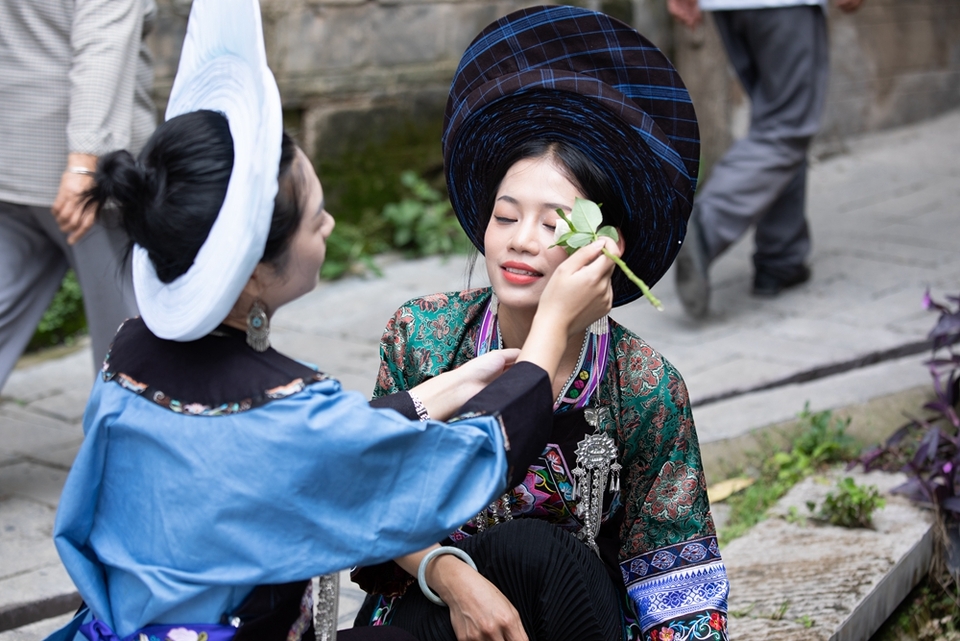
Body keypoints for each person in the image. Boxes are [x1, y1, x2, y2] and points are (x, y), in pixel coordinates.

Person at [45, 2, 620, 640]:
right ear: (255, 268)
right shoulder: (285, 402)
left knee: (535, 561)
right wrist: (548, 338)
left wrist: (447, 388)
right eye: (317, 215)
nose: (330, 225)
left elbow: (316, 448)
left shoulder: (130, 353)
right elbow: (460, 466)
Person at [351, 7, 729, 641]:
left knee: (542, 554)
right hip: (437, 610)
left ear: (601, 247)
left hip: (575, 621)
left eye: (553, 224)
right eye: (505, 217)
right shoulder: (422, 335)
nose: (521, 242)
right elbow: (374, 499)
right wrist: (454, 577)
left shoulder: (644, 387)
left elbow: (678, 587)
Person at [668, 0, 866, 317]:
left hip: (728, 7)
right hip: (784, 5)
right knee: (788, 125)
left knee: (774, 120)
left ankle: (781, 257)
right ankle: (707, 224)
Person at [0, 0, 155, 389]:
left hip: (14, 157)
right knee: (127, 339)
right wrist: (86, 162)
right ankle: (132, 446)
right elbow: (103, 46)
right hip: (86, 180)